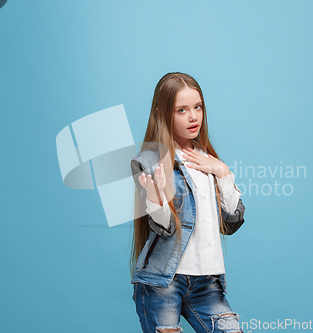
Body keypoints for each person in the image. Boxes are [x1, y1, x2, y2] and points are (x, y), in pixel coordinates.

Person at [130, 72, 246, 333]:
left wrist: (223, 172)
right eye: (181, 110)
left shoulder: (208, 159)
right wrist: (155, 199)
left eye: (197, 107)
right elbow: (165, 228)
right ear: (162, 113)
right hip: (163, 281)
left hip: (208, 282)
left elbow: (232, 223)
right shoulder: (149, 161)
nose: (193, 117)